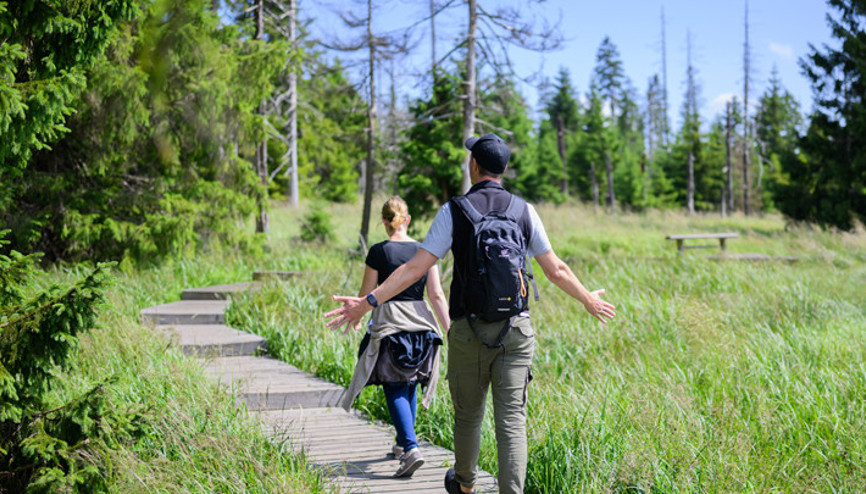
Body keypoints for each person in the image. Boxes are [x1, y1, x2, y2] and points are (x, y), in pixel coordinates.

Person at [325, 134, 616, 494]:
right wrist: (588, 299)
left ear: (473, 166)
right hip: (516, 329)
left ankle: (464, 485)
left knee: (468, 417)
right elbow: (555, 270)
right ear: (504, 169)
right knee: (511, 420)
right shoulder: (525, 210)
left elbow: (416, 268)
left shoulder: (454, 211)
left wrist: (367, 301)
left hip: (468, 330)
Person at [337, 196, 450, 478]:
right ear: (407, 220)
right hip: (423, 327)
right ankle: (402, 444)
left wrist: (357, 314)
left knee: (394, 386)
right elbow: (436, 295)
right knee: (409, 383)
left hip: (391, 326)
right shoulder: (426, 251)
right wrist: (450, 330)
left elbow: (367, 296)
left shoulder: (378, 251)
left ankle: (411, 449)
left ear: (385, 222)